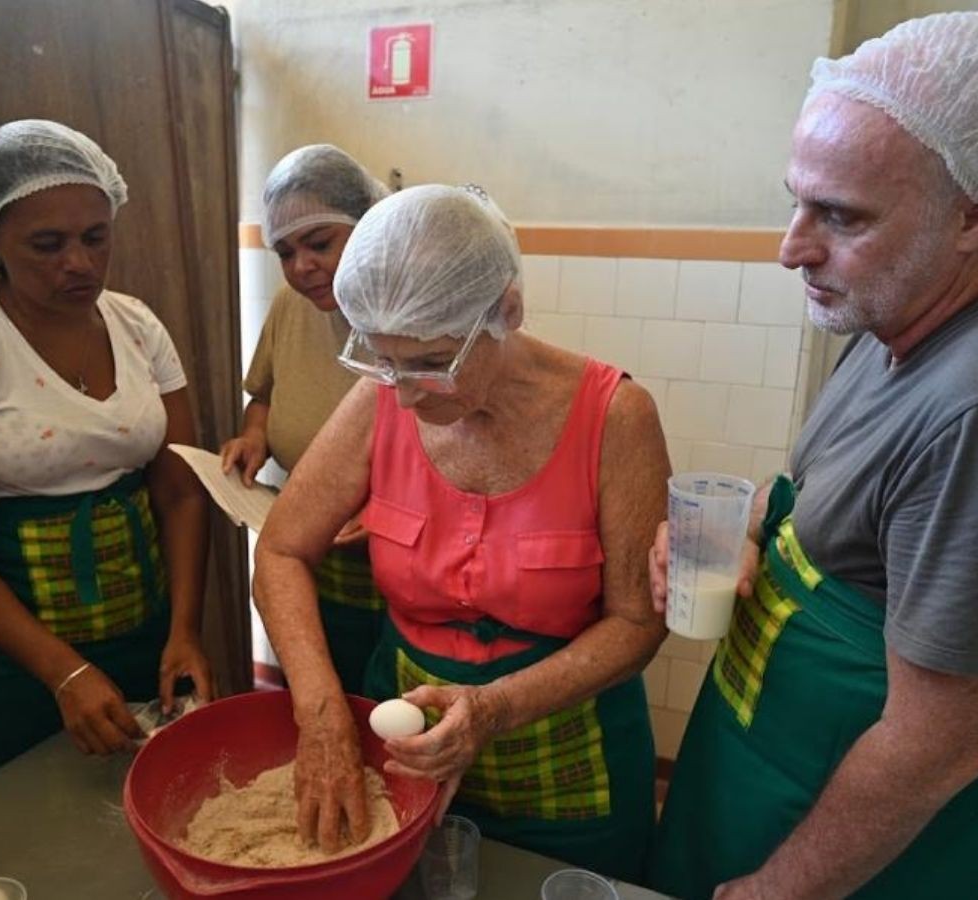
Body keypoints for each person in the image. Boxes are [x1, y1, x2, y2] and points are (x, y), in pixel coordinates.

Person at [647, 12, 978, 900]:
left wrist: (777, 890)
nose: (791, 248)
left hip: (905, 856)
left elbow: (940, 747)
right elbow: (848, 514)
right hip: (781, 774)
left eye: (840, 216)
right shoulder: (899, 315)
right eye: (796, 200)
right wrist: (750, 549)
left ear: (976, 208)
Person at [252, 184, 669, 880]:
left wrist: (493, 708)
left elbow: (636, 623)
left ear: (506, 311)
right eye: (383, 362)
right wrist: (321, 714)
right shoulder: (383, 392)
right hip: (406, 751)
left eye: (429, 363)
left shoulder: (617, 418)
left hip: (565, 771)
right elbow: (283, 549)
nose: (404, 392)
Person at [0, 120, 213, 779]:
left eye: (96, 237)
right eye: (47, 243)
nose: (80, 262)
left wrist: (184, 628)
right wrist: (62, 671)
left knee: (160, 803)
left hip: (146, 631)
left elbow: (179, 489)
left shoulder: (136, 324)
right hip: (21, 661)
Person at [220, 145, 389, 694]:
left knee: (390, 710)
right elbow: (265, 394)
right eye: (285, 252)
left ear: (368, 227)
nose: (301, 268)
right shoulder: (292, 307)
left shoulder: (410, 311)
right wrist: (254, 437)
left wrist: (382, 511)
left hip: (405, 574)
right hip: (313, 559)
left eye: (319, 244)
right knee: (323, 693)